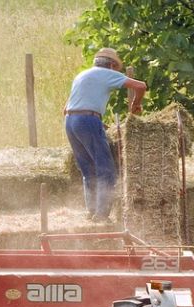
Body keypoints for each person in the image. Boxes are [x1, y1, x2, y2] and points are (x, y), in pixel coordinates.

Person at [64, 48, 146, 222]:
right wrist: (134, 105)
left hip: (70, 122)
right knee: (107, 170)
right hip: (87, 120)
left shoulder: (82, 75)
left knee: (88, 169)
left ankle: (91, 211)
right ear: (111, 65)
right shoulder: (106, 73)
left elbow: (67, 108)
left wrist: (96, 122)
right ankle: (101, 216)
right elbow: (141, 86)